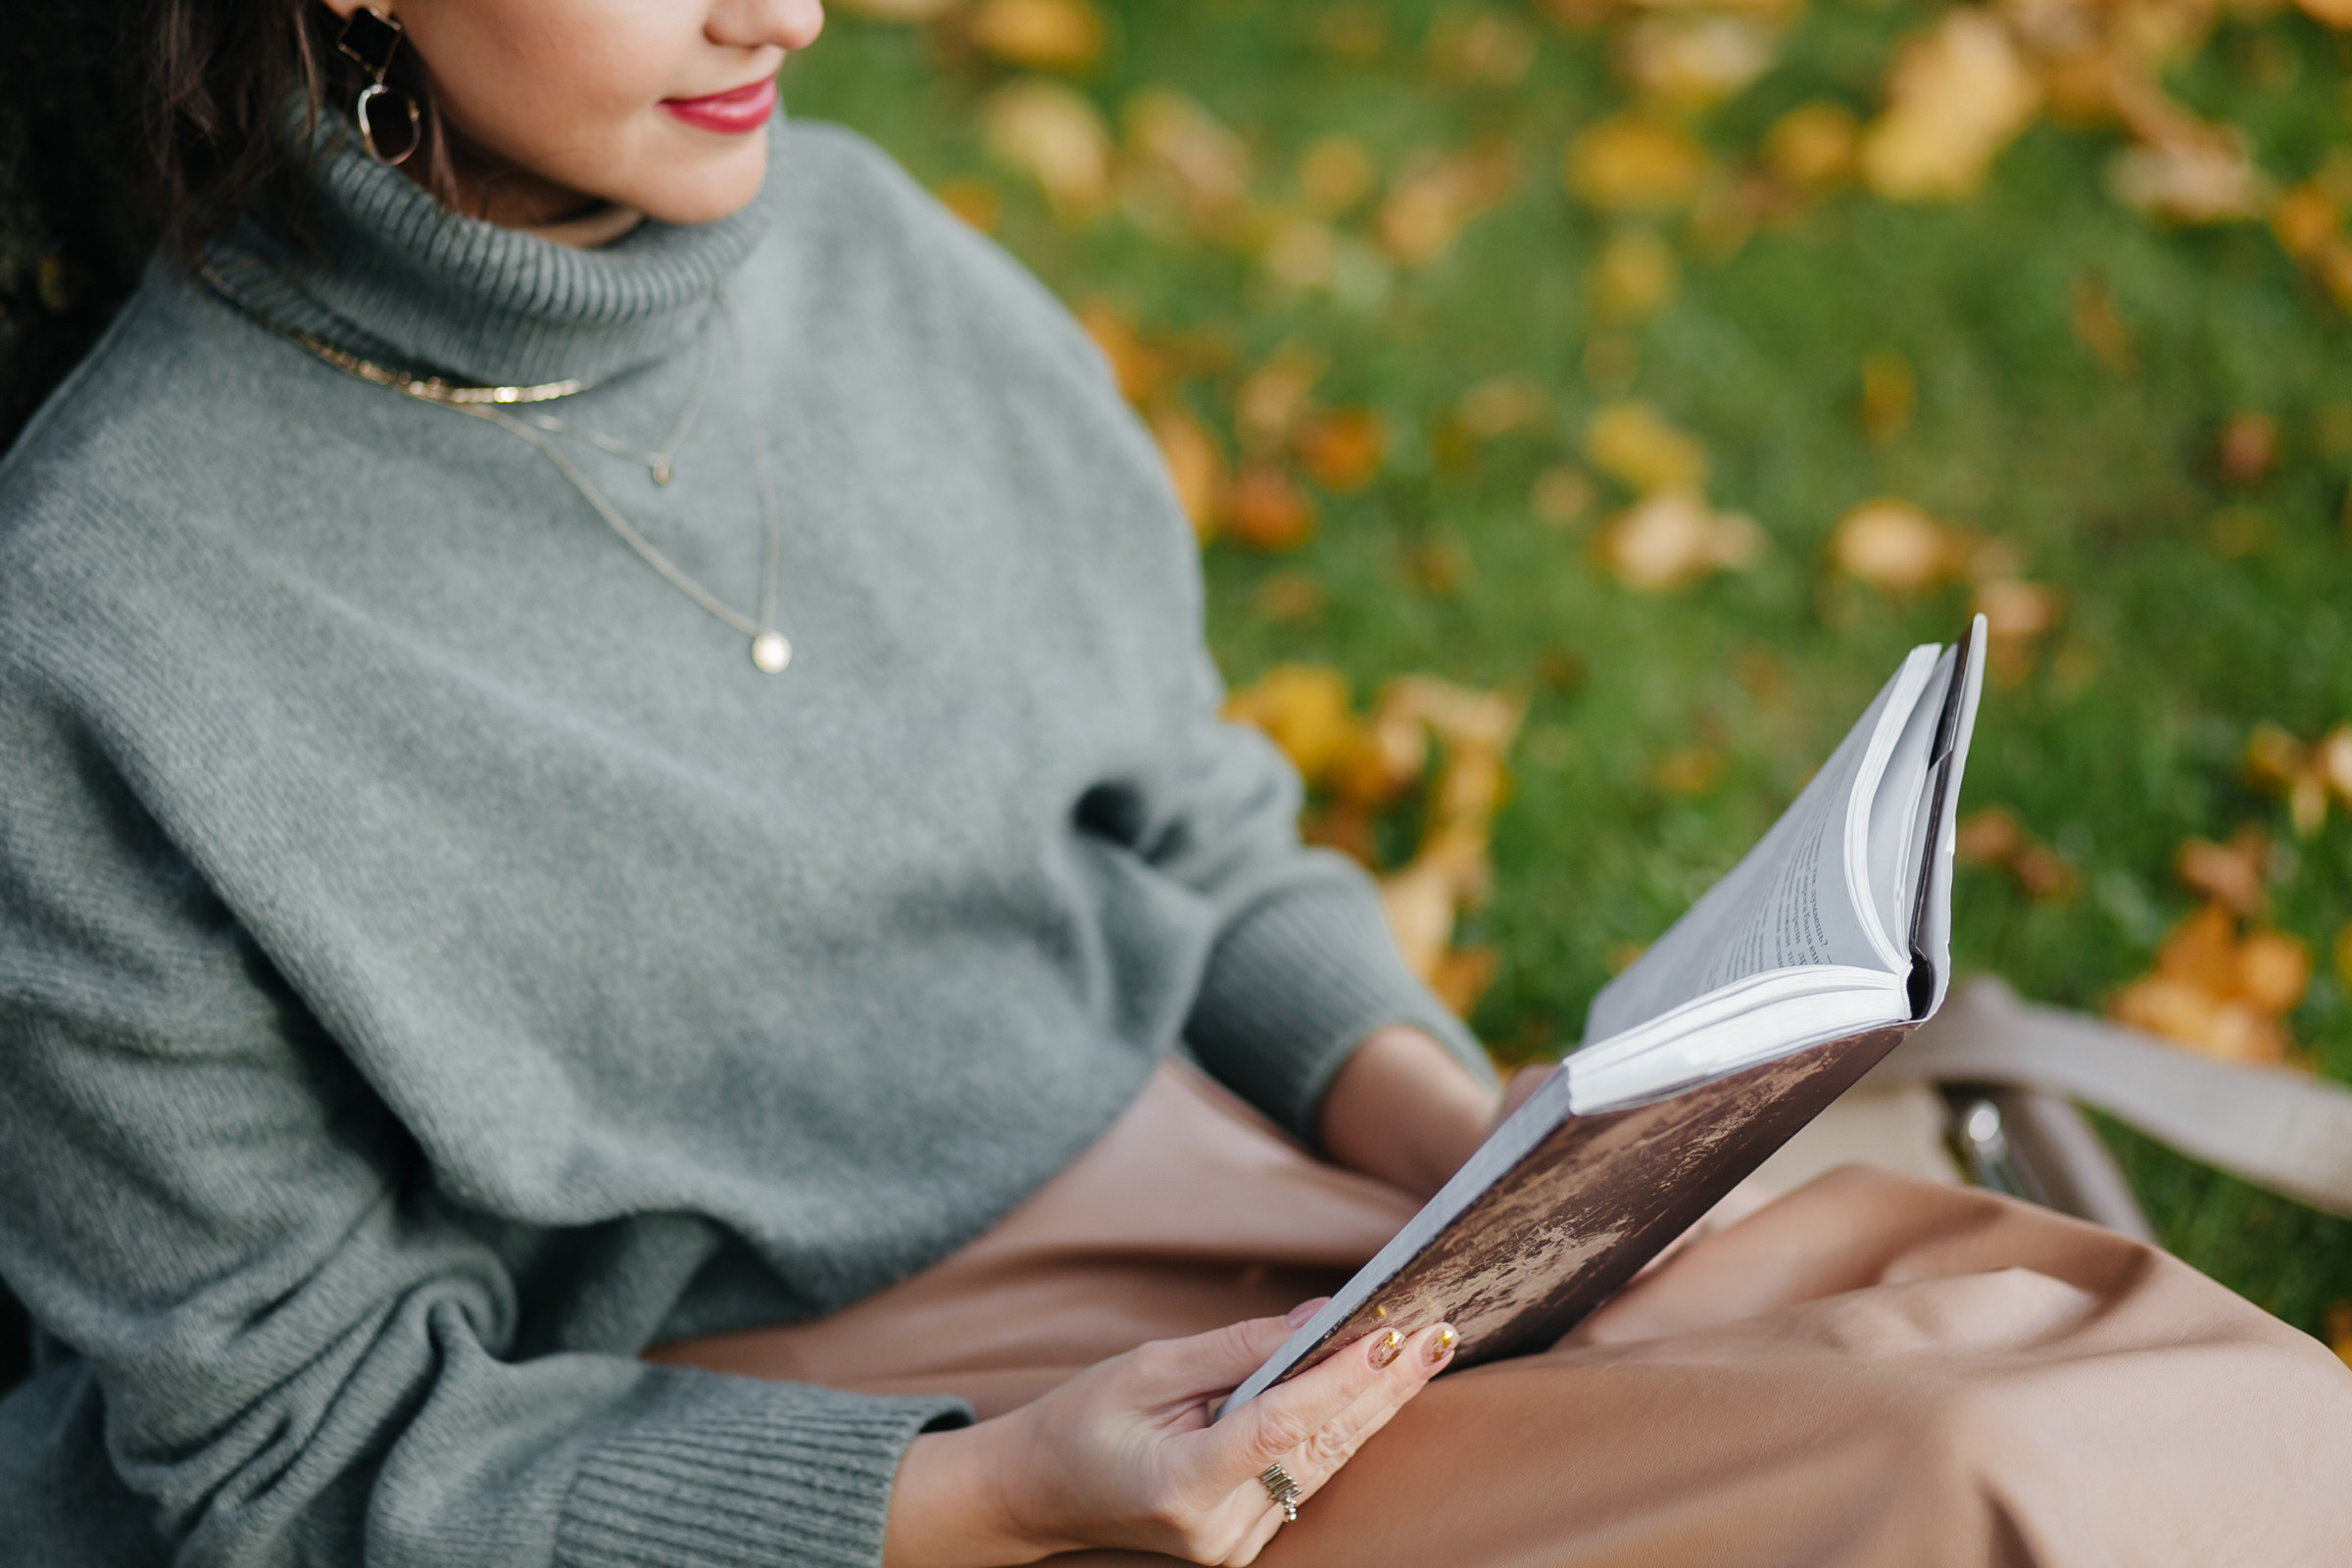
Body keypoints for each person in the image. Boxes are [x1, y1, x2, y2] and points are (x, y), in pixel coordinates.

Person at [0, 2, 2345, 1564]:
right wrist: (1001, 1491)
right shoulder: (104, 617)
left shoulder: (868, 251)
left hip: (1261, 1225)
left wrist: (1481, 1158)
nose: (785, 13)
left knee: (2027, 1341)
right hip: (810, 1458)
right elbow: (285, 1453)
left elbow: (1186, 821)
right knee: (1953, 1470)